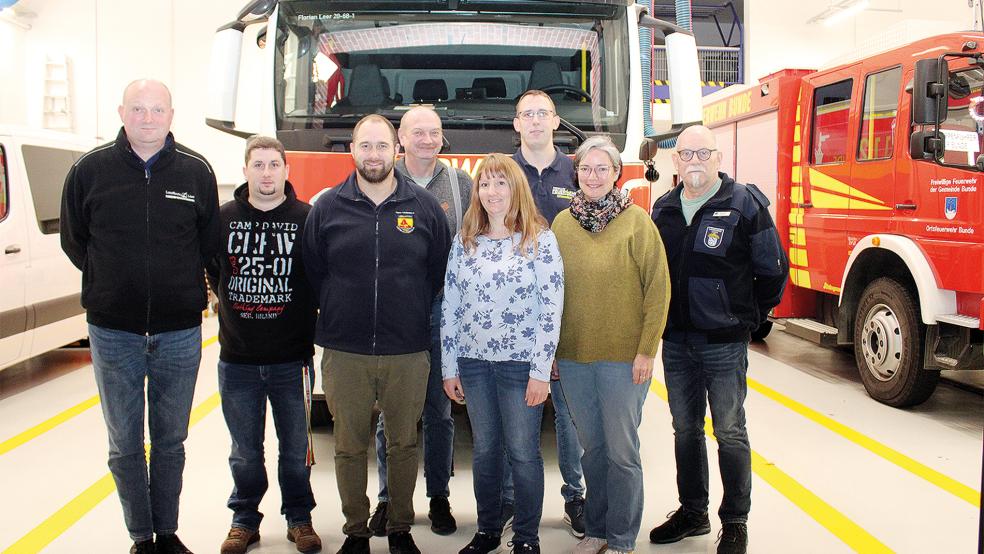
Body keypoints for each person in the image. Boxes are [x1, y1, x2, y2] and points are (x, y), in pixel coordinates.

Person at [60, 79, 220, 554]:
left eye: (157, 110)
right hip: (113, 333)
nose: (147, 118)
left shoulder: (195, 171)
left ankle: (167, 534)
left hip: (178, 333)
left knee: (170, 441)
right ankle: (141, 538)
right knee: (125, 443)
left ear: (172, 115)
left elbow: (208, 244)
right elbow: (76, 242)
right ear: (121, 112)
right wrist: (112, 285)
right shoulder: (89, 171)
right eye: (138, 109)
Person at [301, 115, 451, 554]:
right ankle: (355, 530)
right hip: (345, 349)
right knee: (348, 445)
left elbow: (438, 271)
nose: (373, 154)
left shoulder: (423, 209)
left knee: (404, 442)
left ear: (395, 150)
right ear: (352, 150)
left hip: (407, 348)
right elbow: (313, 269)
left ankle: (400, 527)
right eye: (365, 146)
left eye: (381, 146)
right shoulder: (328, 207)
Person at [649, 125, 788, 554]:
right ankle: (693, 512)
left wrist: (746, 318)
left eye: (703, 154)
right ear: (675, 161)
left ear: (718, 158)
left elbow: (773, 270)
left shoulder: (744, 203)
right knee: (684, 429)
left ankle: (735, 520)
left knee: (729, 431)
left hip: (724, 344)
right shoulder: (664, 209)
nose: (694, 161)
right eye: (686, 154)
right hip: (676, 342)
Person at [551, 135, 670, 554]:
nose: (594, 176)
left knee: (622, 452)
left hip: (623, 360)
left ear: (617, 174)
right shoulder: (563, 224)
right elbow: (552, 292)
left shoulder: (638, 222)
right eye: (586, 168)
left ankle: (621, 538)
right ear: (576, 174)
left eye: (603, 168)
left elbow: (658, 289)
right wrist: (552, 353)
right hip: (574, 359)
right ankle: (597, 529)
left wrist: (646, 351)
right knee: (593, 450)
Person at [441, 153, 564, 554]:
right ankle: (488, 530)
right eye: (485, 184)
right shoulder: (465, 242)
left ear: (516, 189)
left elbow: (551, 309)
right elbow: (450, 307)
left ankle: (526, 538)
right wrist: (449, 367)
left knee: (524, 453)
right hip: (474, 365)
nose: (492, 192)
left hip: (520, 366)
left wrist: (541, 372)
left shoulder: (540, 241)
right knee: (487, 451)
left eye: (501, 183)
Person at [206, 136, 321, 554]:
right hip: (237, 360)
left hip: (292, 360)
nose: (267, 173)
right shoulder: (223, 219)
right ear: (245, 170)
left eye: (275, 164)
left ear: (286, 171)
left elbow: (319, 277)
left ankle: (299, 519)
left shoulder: (307, 219)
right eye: (259, 165)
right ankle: (244, 519)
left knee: (295, 450)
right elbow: (210, 267)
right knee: (244, 450)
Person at [369, 106, 473, 538]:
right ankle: (388, 499)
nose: (427, 140)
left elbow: (476, 242)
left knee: (439, 410)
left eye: (435, 132)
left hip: (444, 312)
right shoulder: (381, 181)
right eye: (418, 133)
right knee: (391, 414)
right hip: (395, 313)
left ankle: (439, 498)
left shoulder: (461, 183)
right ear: (401, 139)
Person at [510, 89, 586, 538]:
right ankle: (512, 503)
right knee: (514, 415)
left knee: (569, 413)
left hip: (566, 309)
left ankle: (575, 497)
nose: (535, 121)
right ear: (516, 124)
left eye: (543, 114)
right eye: (526, 115)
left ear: (556, 122)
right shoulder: (501, 172)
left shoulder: (577, 172)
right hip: (512, 316)